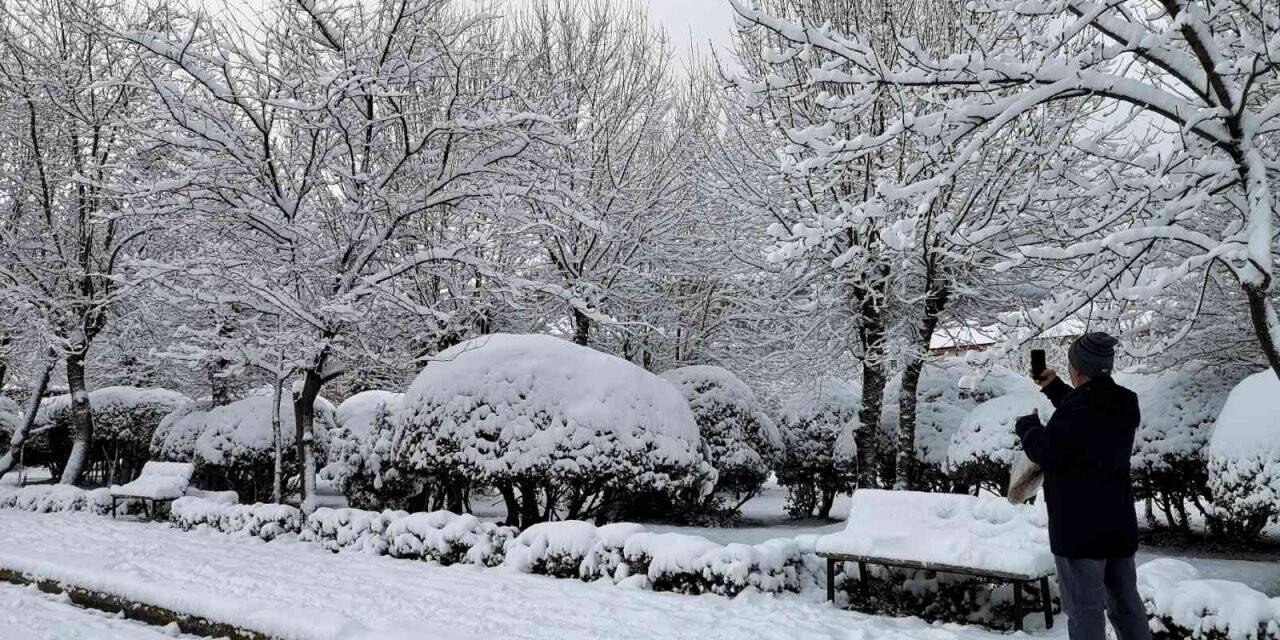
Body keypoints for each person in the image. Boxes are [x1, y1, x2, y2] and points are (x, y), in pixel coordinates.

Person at [1015, 332, 1151, 640]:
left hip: (1079, 531)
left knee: (1085, 612)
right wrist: (1053, 387)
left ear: (1077, 369)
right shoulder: (1125, 402)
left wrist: (1028, 427)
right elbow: (1090, 408)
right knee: (1127, 605)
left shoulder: (1076, 412)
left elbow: (1046, 451)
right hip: (1117, 525)